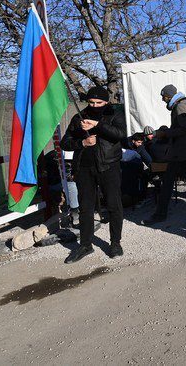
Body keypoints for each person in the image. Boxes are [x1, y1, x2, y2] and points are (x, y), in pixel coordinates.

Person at [60, 86, 126, 263]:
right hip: (84, 168)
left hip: (108, 166)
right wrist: (82, 142)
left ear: (106, 102)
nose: (95, 105)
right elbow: (65, 143)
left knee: (113, 205)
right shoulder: (78, 118)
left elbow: (120, 134)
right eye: (91, 102)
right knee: (85, 208)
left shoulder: (115, 115)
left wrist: (98, 125)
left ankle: (115, 242)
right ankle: (85, 244)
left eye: (99, 102)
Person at [143, 85, 186, 224]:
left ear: (169, 96)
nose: (162, 99)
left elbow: (185, 129)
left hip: (178, 152)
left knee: (167, 183)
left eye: (164, 96)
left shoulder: (180, 107)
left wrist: (164, 133)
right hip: (181, 151)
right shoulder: (181, 105)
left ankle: (160, 214)